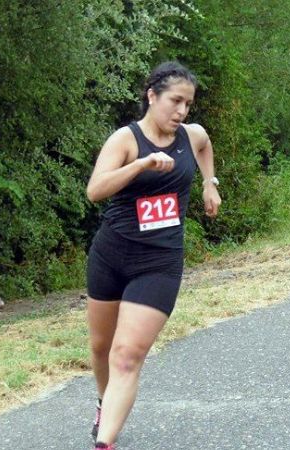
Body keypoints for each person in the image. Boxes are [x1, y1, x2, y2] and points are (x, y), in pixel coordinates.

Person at [85, 61, 221, 449]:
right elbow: (95, 190)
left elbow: (205, 143)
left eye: (188, 104)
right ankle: (103, 402)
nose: (181, 112)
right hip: (111, 256)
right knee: (101, 348)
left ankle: (105, 443)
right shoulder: (125, 140)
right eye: (175, 101)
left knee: (126, 355)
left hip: (159, 262)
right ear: (152, 96)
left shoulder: (189, 136)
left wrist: (210, 184)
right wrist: (141, 164)